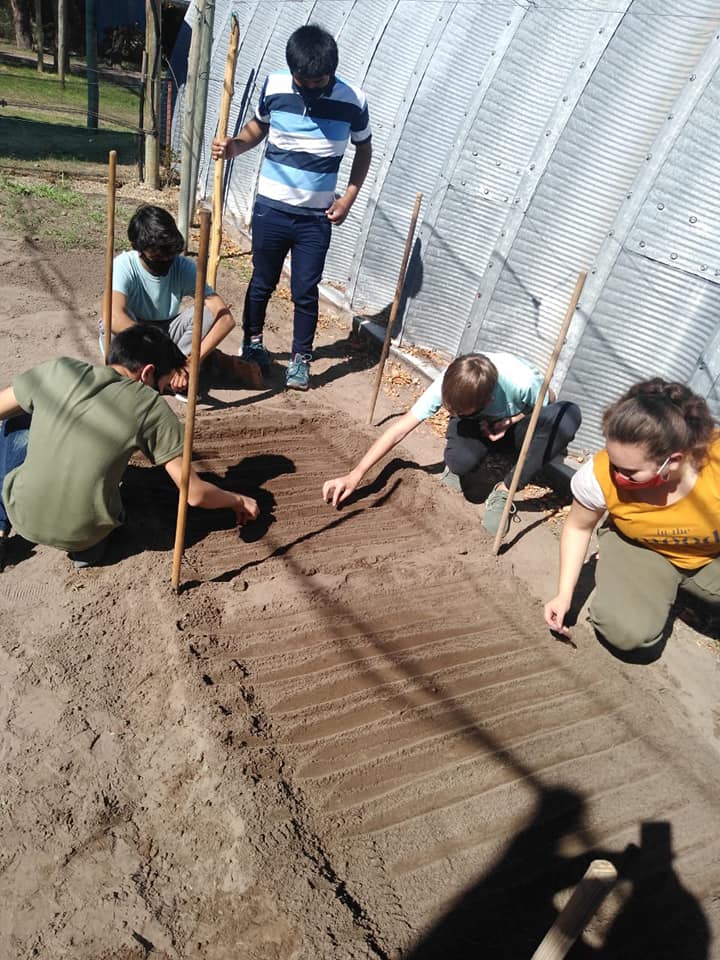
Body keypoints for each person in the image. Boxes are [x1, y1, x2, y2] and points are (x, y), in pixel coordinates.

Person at [0, 325, 259, 572]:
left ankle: (2, 524)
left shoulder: (59, 369)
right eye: (163, 385)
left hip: (19, 511)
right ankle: (86, 552)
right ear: (147, 372)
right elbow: (195, 494)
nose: (160, 392)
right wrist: (237, 500)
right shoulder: (150, 405)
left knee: (17, 418)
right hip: (84, 537)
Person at [211, 23, 373, 391]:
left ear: (331, 70)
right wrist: (234, 146)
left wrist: (347, 198)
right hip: (272, 209)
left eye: (317, 82)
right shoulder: (275, 86)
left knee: (305, 289)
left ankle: (300, 358)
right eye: (303, 80)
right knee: (262, 281)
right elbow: (258, 127)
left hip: (316, 217)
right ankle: (253, 345)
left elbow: (364, 149)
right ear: (292, 71)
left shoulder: (353, 101)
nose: (309, 88)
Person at [544, 378, 719, 654]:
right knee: (625, 633)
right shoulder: (599, 474)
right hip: (642, 546)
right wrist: (564, 594)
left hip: (707, 554)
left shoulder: (715, 467)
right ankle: (639, 575)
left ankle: (681, 592)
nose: (617, 476)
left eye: (629, 472)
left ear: (671, 461)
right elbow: (578, 528)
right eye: (614, 464)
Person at [322, 352, 581, 534]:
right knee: (460, 466)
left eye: (459, 412)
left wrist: (511, 420)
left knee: (566, 415)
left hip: (515, 427)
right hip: (478, 426)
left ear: (488, 401)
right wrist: (355, 474)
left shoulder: (521, 381)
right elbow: (399, 430)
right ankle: (474, 460)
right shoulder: (451, 379)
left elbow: (549, 400)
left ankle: (505, 490)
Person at [101, 204, 263, 397]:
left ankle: (175, 374)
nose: (165, 261)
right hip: (136, 333)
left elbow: (225, 319)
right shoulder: (124, 265)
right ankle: (162, 375)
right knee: (108, 324)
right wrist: (161, 349)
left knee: (206, 311)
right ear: (137, 247)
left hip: (168, 332)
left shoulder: (182, 267)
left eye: (169, 255)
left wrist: (190, 363)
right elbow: (115, 318)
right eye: (157, 256)